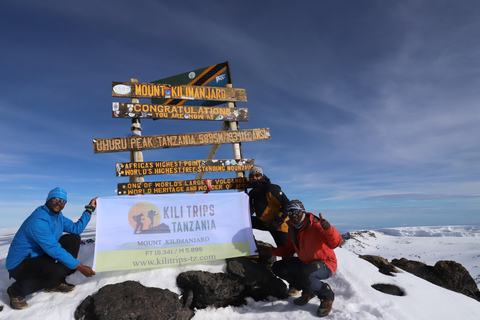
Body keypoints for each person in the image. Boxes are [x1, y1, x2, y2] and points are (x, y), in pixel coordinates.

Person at [6, 187, 97, 310]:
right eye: (56, 199)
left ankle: (55, 282)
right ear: (48, 199)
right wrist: (80, 267)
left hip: (39, 255)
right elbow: (53, 249)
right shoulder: (38, 221)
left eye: (63, 201)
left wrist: (89, 209)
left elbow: (76, 229)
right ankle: (16, 291)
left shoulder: (57, 217)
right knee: (55, 270)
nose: (59, 203)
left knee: (73, 238)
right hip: (20, 263)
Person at [256, 200, 342, 317]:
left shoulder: (317, 225)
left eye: (296, 211)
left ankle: (326, 295)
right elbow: (288, 250)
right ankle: (309, 290)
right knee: (278, 267)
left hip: (326, 263)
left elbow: (335, 243)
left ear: (303, 212)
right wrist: (270, 251)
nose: (294, 215)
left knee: (306, 274)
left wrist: (329, 229)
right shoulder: (292, 229)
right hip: (306, 262)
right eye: (290, 213)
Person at [248, 165, 290, 247]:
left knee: (285, 251)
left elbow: (286, 203)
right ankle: (249, 247)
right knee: (245, 222)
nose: (254, 177)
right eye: (252, 176)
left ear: (261, 176)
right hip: (265, 224)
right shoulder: (252, 193)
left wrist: (278, 221)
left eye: (257, 175)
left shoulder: (271, 188)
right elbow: (249, 211)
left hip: (280, 226)